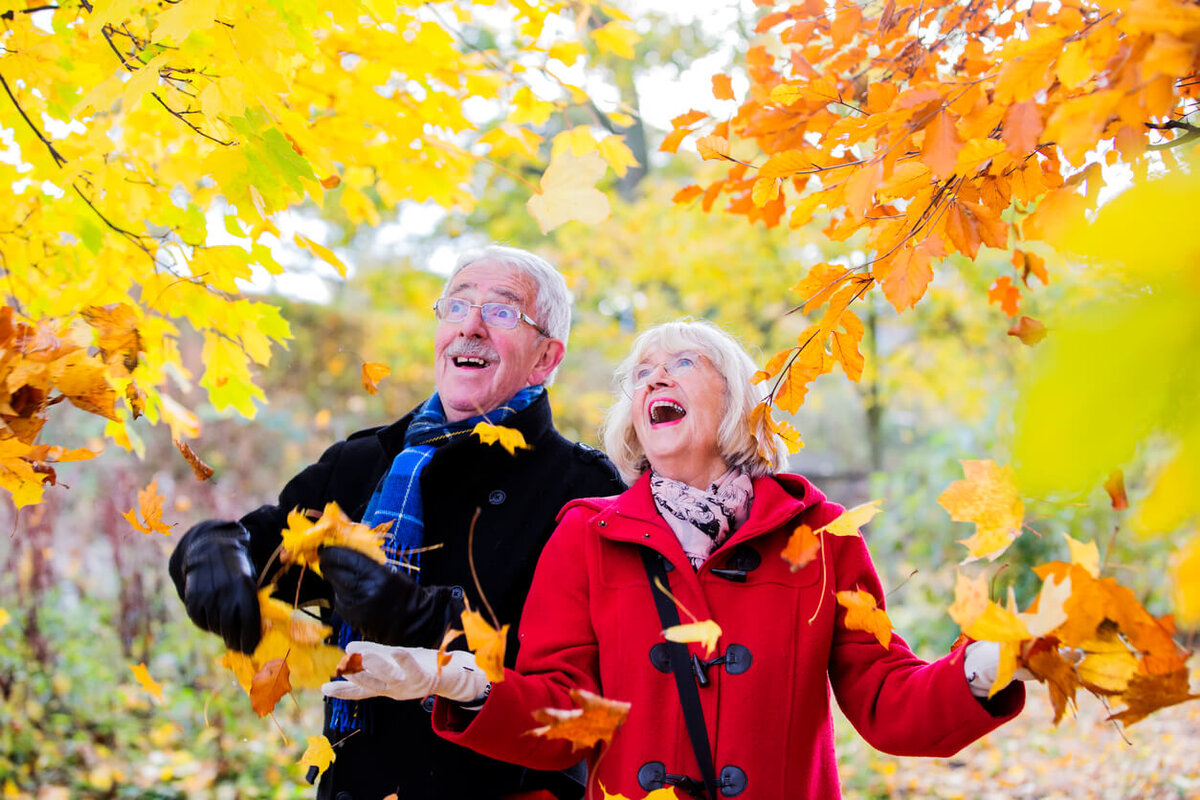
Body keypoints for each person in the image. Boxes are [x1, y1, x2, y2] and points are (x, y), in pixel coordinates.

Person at [323, 319, 1026, 799]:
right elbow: (563, 715)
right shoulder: (586, 535)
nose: (654, 380)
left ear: (740, 401)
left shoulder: (821, 535)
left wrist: (975, 672)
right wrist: (452, 678)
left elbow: (884, 698)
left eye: (683, 364)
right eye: (642, 375)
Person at [169, 245, 625, 800]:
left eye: (502, 311)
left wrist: (423, 621)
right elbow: (268, 552)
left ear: (546, 359)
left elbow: (579, 700)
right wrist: (211, 551)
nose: (471, 327)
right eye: (456, 306)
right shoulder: (365, 462)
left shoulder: (584, 490)